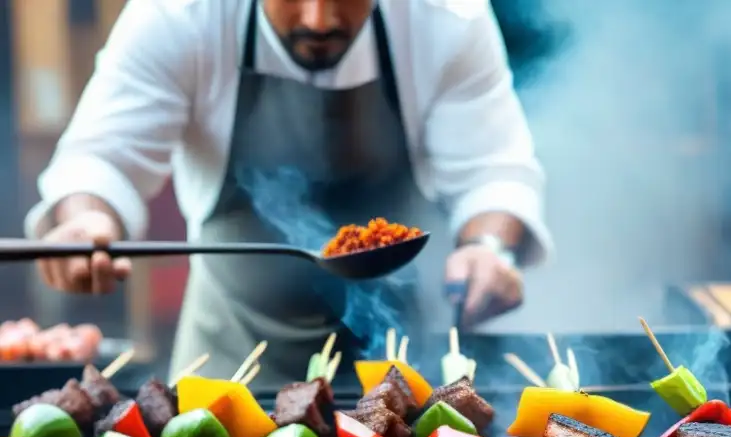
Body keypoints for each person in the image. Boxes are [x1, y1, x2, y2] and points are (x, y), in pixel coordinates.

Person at [25, 0, 552, 384]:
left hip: (402, 371)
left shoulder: (446, 19)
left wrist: (489, 248)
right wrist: (87, 219)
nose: (318, 19)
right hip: (228, 369)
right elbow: (100, 162)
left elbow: (493, 174)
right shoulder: (179, 17)